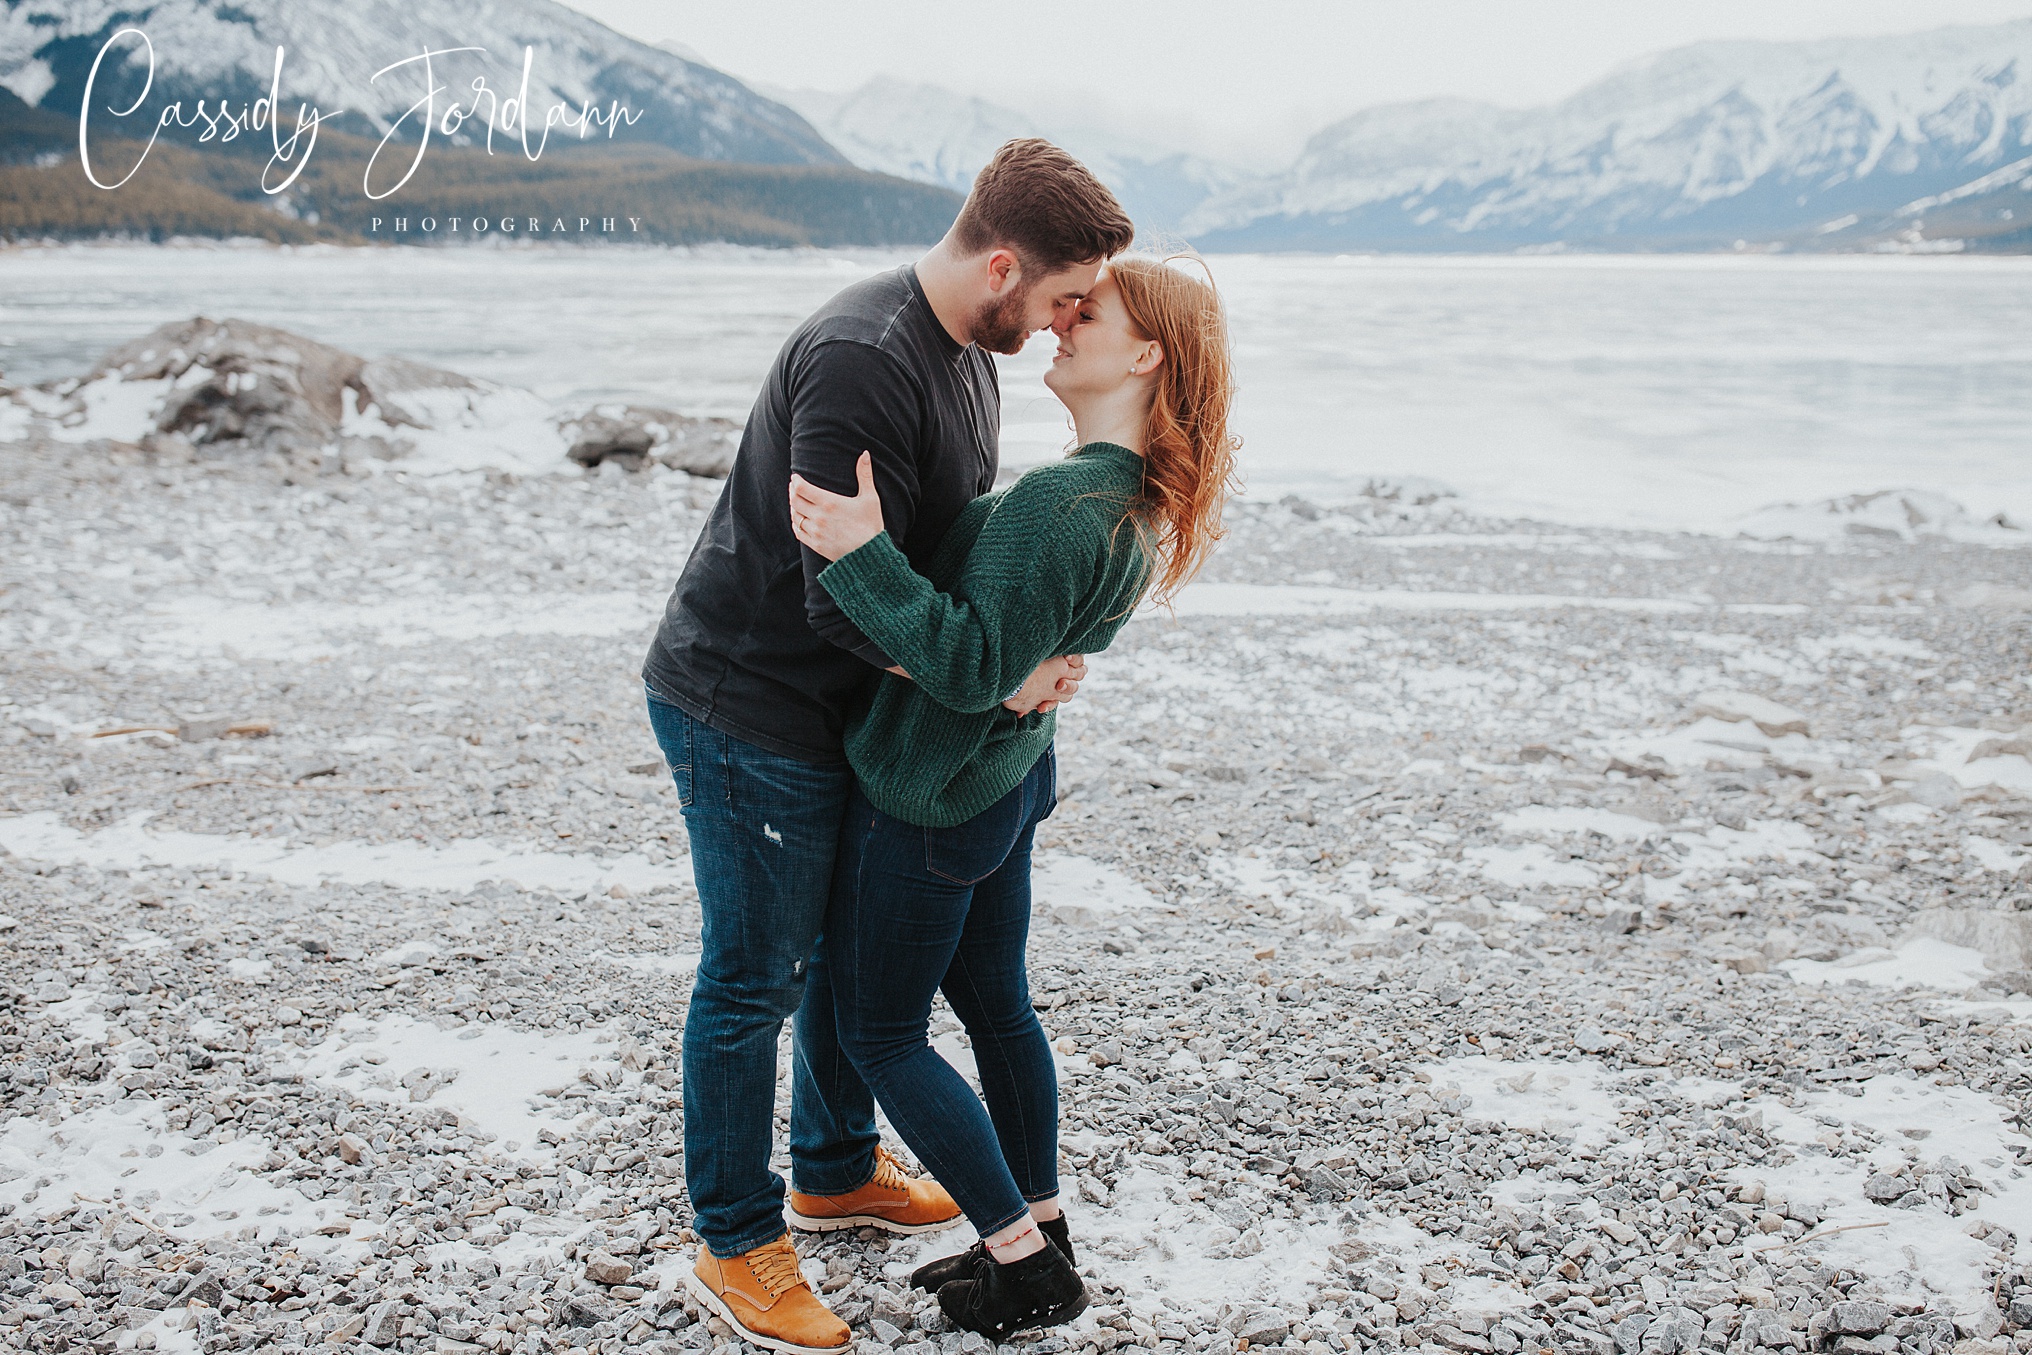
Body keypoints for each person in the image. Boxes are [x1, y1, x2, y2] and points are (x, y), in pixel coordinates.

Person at [641, 139, 1136, 1355]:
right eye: (1066, 296)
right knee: (755, 971)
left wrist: (1015, 642)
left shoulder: (969, 350)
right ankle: (736, 1240)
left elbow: (941, 550)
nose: (1070, 319)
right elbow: (831, 596)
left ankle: (832, 1168)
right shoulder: (865, 359)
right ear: (1005, 263)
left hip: (843, 709)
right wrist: (993, 678)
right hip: (747, 699)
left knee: (831, 955)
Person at [787, 255, 1240, 1339]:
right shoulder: (1126, 498)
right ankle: (1043, 1222)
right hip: (1003, 778)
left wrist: (859, 552)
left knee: (878, 1031)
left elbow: (967, 660)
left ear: (1146, 354)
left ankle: (1023, 1259)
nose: (1063, 321)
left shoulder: (1058, 501)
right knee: (997, 1006)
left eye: (1093, 312)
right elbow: (1013, 656)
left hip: (936, 791)